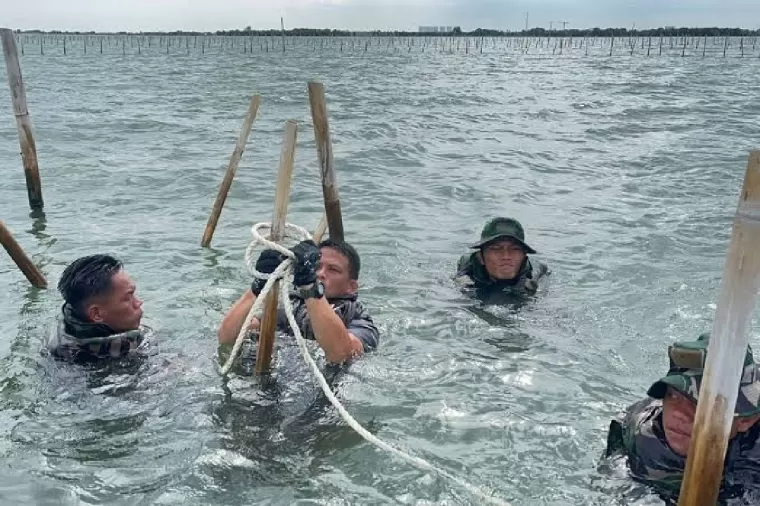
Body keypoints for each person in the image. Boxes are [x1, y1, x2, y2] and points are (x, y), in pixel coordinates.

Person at [604, 333, 760, 501]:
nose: (679, 413)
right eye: (673, 395)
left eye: (700, 404)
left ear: (745, 420)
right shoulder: (640, 434)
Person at [218, 239, 379, 367]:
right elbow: (227, 337)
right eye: (316, 266)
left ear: (351, 287)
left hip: (320, 397)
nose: (321, 273)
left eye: (333, 270)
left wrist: (310, 288)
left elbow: (342, 354)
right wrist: (258, 287)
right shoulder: (288, 305)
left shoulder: (359, 319)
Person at [47, 254, 147, 362]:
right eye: (128, 297)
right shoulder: (123, 354)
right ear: (96, 314)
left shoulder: (62, 331)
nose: (139, 303)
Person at [455, 217, 549, 297]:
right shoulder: (470, 267)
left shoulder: (530, 273)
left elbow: (539, 266)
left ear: (524, 257)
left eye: (515, 249)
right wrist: (460, 278)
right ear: (481, 257)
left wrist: (534, 279)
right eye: (496, 249)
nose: (506, 256)